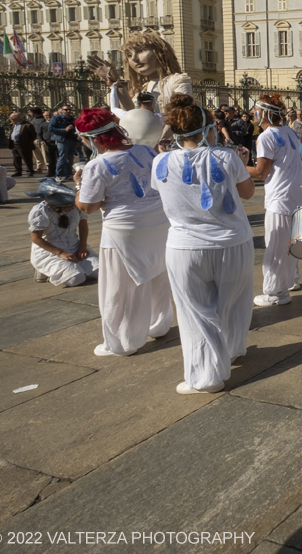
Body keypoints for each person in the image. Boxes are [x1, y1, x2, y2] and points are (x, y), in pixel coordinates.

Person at [152, 95, 255, 394]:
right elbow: (247, 193)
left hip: (185, 246)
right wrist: (242, 164)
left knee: (195, 313)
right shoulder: (226, 157)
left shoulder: (160, 161)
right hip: (232, 243)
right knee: (234, 302)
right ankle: (233, 349)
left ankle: (207, 375)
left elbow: (164, 191)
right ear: (207, 126)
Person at [75, 109, 173, 356]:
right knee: (158, 273)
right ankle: (159, 324)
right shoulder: (145, 150)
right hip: (158, 222)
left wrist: (79, 184)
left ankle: (123, 340)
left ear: (95, 139)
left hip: (124, 230)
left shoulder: (97, 165)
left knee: (119, 287)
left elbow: (88, 206)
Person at [246, 95, 302, 307]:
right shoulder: (290, 131)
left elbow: (261, 173)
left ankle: (274, 292)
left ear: (263, 112)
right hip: (297, 195)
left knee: (275, 245)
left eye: (255, 109)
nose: (253, 112)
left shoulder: (266, 136)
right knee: (291, 242)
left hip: (280, 198)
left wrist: (237, 165)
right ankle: (292, 280)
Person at [26, 178, 98, 286]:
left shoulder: (75, 207)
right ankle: (45, 270)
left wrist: (83, 246)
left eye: (72, 204)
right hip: (50, 251)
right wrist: (61, 253)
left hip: (75, 246)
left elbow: (83, 226)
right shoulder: (41, 211)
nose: (72, 207)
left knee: (103, 272)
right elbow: (36, 238)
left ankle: (76, 267)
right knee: (76, 279)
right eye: (68, 205)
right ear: (55, 205)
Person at [48, 104, 78, 181]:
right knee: (62, 158)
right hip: (62, 140)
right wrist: (64, 130)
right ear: (61, 110)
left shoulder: (72, 119)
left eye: (69, 110)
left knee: (70, 158)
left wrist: (77, 140)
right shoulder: (56, 118)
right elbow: (51, 128)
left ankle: (68, 174)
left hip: (71, 140)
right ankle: (58, 175)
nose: (68, 111)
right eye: (66, 110)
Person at [9, 112, 37, 177]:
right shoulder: (14, 124)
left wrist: (27, 141)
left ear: (18, 118)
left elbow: (33, 135)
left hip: (24, 144)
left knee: (27, 158)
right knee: (16, 158)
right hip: (14, 143)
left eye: (11, 117)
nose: (10, 119)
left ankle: (30, 171)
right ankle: (18, 171)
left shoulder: (27, 125)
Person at [29, 108, 51, 176]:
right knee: (37, 155)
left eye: (30, 112)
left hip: (41, 139)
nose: (29, 114)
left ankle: (48, 167)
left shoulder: (43, 119)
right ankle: (39, 167)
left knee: (45, 154)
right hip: (34, 139)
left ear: (35, 113)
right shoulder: (33, 119)